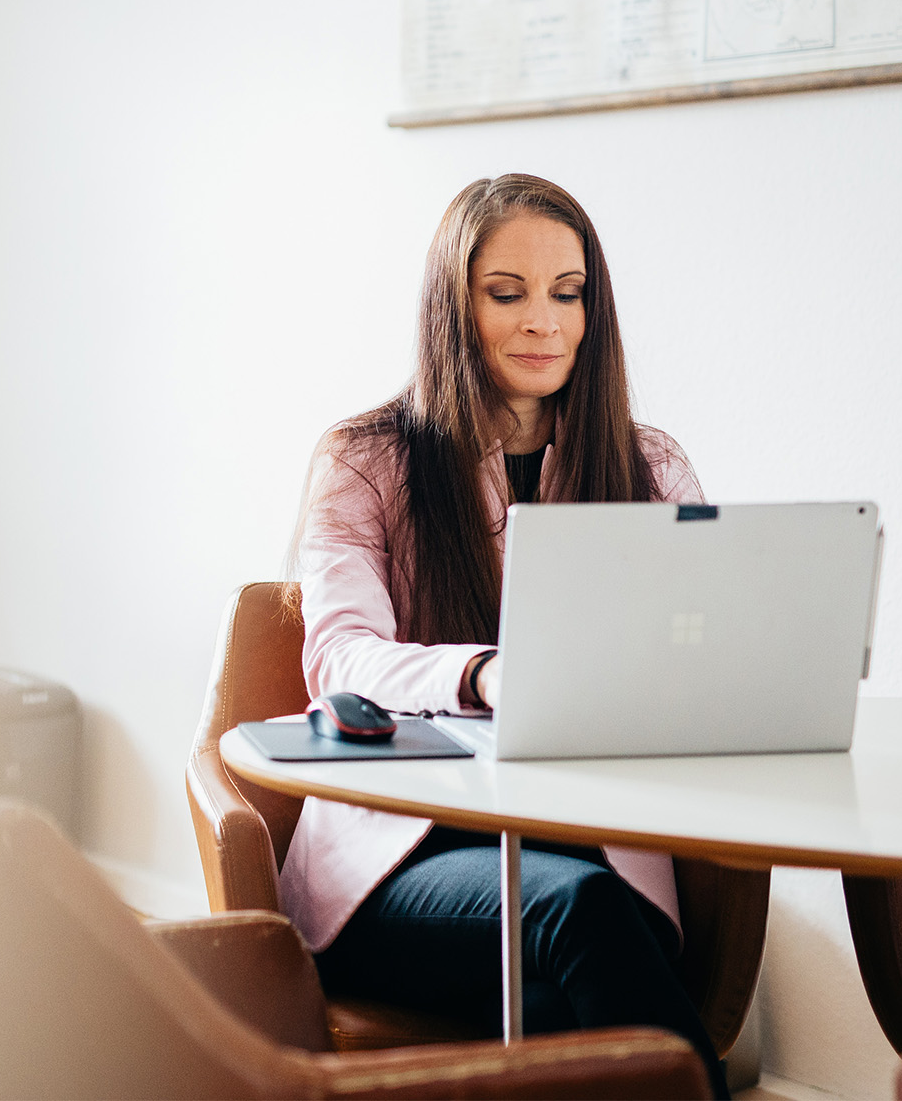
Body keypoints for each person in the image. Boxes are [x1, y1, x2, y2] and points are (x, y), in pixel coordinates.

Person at [280, 173, 727, 1097]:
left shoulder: (650, 466)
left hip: (587, 837)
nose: (543, 322)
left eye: (568, 294)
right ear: (454, 306)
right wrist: (486, 675)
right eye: (506, 293)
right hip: (401, 854)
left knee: (586, 981)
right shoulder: (364, 460)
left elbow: (705, 643)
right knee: (584, 921)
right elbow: (340, 658)